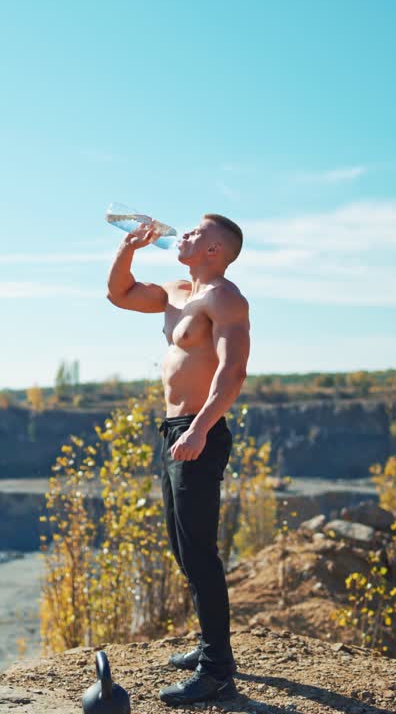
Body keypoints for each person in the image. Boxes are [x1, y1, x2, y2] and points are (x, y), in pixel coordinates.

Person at [105, 212, 251, 705]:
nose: (183, 234)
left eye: (195, 233)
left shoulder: (225, 299)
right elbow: (119, 295)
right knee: (183, 548)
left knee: (200, 553)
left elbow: (232, 373)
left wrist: (200, 429)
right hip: (174, 429)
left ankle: (217, 672)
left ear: (215, 250)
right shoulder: (174, 291)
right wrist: (128, 249)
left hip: (198, 430)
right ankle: (210, 648)